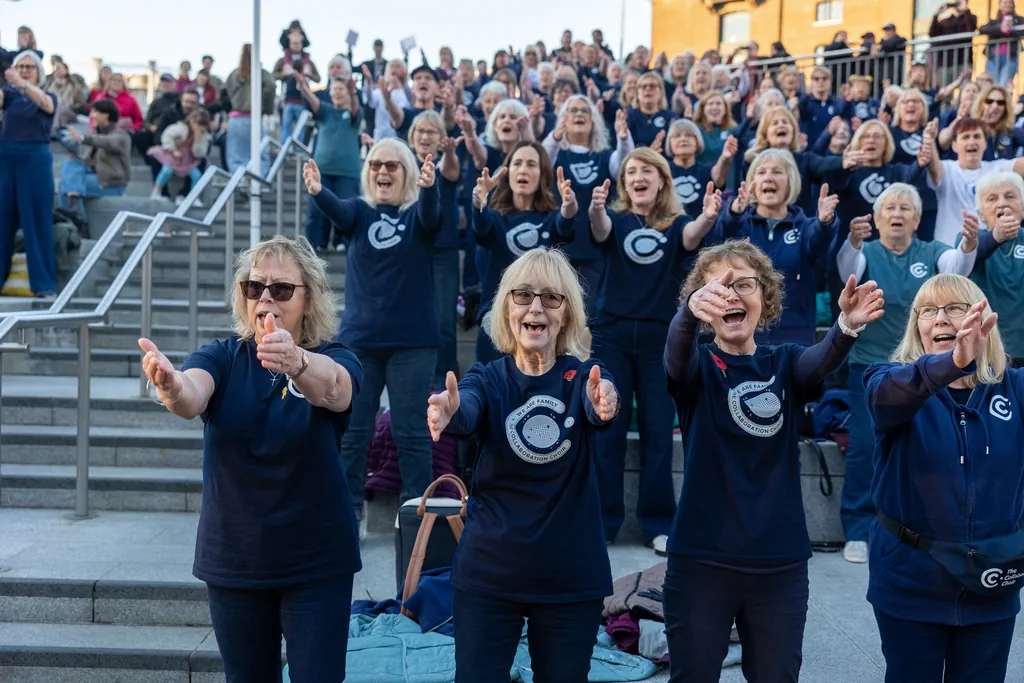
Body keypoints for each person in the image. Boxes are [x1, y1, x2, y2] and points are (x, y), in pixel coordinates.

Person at [139, 235, 362, 683]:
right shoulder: (222, 356)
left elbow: (336, 389)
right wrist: (170, 386)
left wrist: (296, 361)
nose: (265, 298)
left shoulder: (334, 357)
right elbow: (192, 394)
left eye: (280, 289)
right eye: (254, 287)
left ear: (308, 298)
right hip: (236, 559)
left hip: (316, 561)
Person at [662, 239, 885, 682]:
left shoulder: (783, 363)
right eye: (716, 288)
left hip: (779, 563)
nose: (730, 294)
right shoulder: (697, 368)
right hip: (701, 561)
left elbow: (818, 362)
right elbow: (675, 354)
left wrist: (844, 327)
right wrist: (687, 312)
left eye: (743, 284)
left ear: (764, 297)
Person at [426, 247, 620, 683]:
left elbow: (600, 401)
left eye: (551, 298)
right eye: (523, 295)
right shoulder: (486, 377)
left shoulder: (584, 375)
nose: (536, 307)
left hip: (572, 578)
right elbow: (467, 408)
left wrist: (605, 400)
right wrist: (449, 409)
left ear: (566, 313)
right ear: (506, 308)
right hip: (490, 576)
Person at [865, 273, 1024, 683]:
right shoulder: (888, 379)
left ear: (982, 320)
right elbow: (886, 403)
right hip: (910, 582)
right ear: (916, 326)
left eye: (955, 308)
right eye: (928, 310)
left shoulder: (1016, 389)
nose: (940, 319)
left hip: (992, 584)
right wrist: (953, 364)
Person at [836, 183, 981, 563]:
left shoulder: (931, 252)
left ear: (918, 218)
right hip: (870, 366)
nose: (897, 214)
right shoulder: (865, 252)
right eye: (890, 208)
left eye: (906, 208)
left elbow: (957, 266)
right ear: (878, 217)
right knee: (864, 446)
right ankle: (856, 529)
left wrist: (968, 244)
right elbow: (847, 268)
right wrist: (851, 241)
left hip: (925, 367)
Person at [303, 139, 441, 530]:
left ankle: (416, 518)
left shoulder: (417, 216)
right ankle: (346, 514)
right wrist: (318, 191)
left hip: (413, 342)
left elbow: (433, 219)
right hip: (361, 341)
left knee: (412, 432)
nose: (383, 171)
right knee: (353, 431)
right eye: (377, 164)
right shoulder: (360, 213)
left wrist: (430, 190)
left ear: (408, 173)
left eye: (393, 166)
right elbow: (339, 210)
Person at [589, 147, 721, 554]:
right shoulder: (616, 221)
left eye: (646, 170)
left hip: (658, 341)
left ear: (662, 179)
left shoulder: (674, 223)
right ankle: (604, 522)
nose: (638, 176)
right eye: (631, 171)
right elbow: (598, 230)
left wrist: (709, 217)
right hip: (610, 336)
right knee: (607, 428)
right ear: (625, 182)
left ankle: (658, 523)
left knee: (659, 434)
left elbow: (691, 235)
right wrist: (595, 208)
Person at [718, 149, 840, 346]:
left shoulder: (806, 227)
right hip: (743, 335)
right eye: (761, 172)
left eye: (776, 172)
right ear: (752, 184)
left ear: (790, 181)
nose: (768, 177)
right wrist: (733, 213)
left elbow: (819, 242)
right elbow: (724, 233)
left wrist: (825, 222)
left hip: (795, 338)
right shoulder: (740, 223)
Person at [471, 140, 579, 364]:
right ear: (507, 173)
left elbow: (564, 228)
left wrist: (568, 208)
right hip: (497, 321)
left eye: (531, 164)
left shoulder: (550, 219)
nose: (523, 170)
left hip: (540, 321)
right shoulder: (495, 218)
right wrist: (479, 202)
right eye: (517, 163)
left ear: (542, 175)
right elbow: (481, 231)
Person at [542, 94, 633, 318]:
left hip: (594, 248)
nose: (579, 114)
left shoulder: (605, 156)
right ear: (563, 119)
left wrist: (623, 139)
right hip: (558, 245)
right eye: (572, 110)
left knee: (587, 316)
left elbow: (625, 166)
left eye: (584, 110)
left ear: (594, 120)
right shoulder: (557, 153)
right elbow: (542, 160)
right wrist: (555, 136)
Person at [0, 50, 57, 296]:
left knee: (37, 222)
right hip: (5, 159)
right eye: (20, 66)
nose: (24, 70)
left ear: (38, 72)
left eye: (29, 67)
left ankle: (44, 285)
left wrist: (22, 85)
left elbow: (47, 104)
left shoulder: (47, 95)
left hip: (34, 161)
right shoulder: (9, 97)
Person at [924, 117, 1024, 246]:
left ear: (985, 143)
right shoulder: (946, 169)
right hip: (948, 252)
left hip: (987, 252)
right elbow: (933, 166)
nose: (972, 142)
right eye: (965, 137)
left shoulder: (998, 169)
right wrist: (929, 140)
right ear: (954, 145)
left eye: (977, 136)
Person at [295, 74, 361, 251]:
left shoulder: (354, 113)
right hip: (321, 170)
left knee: (346, 209)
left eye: (341, 89)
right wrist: (304, 88)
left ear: (347, 92)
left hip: (347, 172)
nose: (337, 93)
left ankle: (343, 243)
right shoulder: (325, 111)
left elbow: (355, 109)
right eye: (334, 90)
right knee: (316, 211)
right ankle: (314, 245)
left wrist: (353, 92)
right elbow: (314, 103)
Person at [971, 172, 1024, 364]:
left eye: (1010, 196)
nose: (1002, 203)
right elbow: (967, 258)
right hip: (988, 351)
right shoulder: (969, 240)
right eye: (992, 198)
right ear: (981, 214)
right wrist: (997, 236)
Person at [56, 99, 131, 228]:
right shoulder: (95, 133)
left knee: (65, 186)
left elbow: (107, 142)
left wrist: (83, 138)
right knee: (70, 164)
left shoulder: (120, 136)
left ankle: (78, 222)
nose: (91, 116)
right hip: (94, 178)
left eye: (95, 112)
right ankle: (76, 216)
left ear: (106, 115)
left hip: (111, 184)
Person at [665, 118, 733, 220]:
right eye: (677, 135)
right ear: (669, 142)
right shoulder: (662, 170)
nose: (683, 139)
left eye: (688, 135)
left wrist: (725, 158)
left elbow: (719, 178)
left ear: (697, 141)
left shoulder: (707, 170)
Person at [223, 44, 275, 174]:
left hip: (235, 119)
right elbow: (271, 88)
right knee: (260, 155)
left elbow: (223, 93)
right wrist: (266, 107)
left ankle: (239, 183)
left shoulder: (234, 74)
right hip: (254, 118)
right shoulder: (262, 74)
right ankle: (256, 185)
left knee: (235, 156)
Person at [147, 109, 212, 205]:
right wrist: (173, 150)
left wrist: (198, 141)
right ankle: (156, 192)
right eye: (198, 124)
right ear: (192, 121)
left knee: (196, 174)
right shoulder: (180, 128)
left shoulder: (204, 137)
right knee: (166, 171)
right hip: (173, 155)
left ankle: (193, 196)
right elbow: (166, 136)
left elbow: (199, 153)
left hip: (188, 159)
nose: (199, 128)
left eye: (202, 126)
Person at [274, 30, 321, 143]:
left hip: (303, 100)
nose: (296, 44)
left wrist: (308, 73)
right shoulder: (283, 61)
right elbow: (274, 75)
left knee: (301, 128)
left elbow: (318, 78)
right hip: (287, 100)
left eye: (298, 42)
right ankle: (284, 148)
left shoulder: (308, 61)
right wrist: (284, 74)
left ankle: (298, 148)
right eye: (293, 42)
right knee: (286, 126)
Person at [627, 72, 677, 148]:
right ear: (637, 93)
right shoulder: (629, 115)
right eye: (643, 86)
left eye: (652, 86)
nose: (648, 89)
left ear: (661, 92)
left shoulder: (670, 116)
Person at [981, 0, 1024, 87]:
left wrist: (1010, 29)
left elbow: (1021, 32)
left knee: (1003, 84)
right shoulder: (994, 22)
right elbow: (982, 29)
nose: (1007, 5)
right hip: (993, 57)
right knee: (991, 85)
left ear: (1013, 5)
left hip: (1010, 57)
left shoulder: (1019, 20)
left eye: (1009, 3)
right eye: (1004, 2)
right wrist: (1000, 29)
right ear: (1000, 5)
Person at [45, 58, 86, 127]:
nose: (56, 70)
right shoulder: (49, 84)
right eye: (55, 68)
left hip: (69, 111)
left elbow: (81, 103)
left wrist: (71, 106)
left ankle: (55, 130)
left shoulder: (74, 86)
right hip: (52, 108)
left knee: (60, 110)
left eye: (59, 68)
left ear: (66, 71)